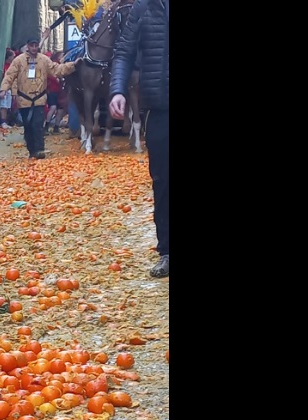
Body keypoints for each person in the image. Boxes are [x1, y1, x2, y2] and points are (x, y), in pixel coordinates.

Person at [109, 0, 168, 278]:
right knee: (163, 182)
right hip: (160, 108)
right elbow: (124, 52)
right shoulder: (143, 8)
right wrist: (118, 90)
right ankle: (167, 251)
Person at [0, 38, 78, 159]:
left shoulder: (44, 60)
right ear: (28, 46)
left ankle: (40, 150)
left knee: (37, 124)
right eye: (32, 45)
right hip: (24, 99)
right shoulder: (19, 60)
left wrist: (73, 65)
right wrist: (4, 89)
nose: (34, 48)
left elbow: (56, 69)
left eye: (36, 45)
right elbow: (10, 75)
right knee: (28, 125)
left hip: (39, 98)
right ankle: (32, 150)